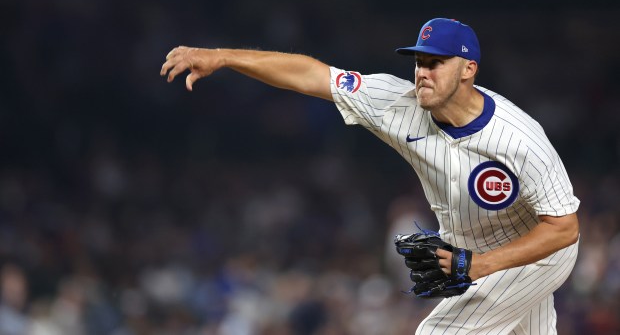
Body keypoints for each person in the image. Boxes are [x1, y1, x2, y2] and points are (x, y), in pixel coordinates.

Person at [160, 18, 580, 334]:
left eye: (436, 63)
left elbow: (564, 229)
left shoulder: (518, 138)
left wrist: (480, 264)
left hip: (536, 252)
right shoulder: (396, 104)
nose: (422, 72)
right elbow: (313, 75)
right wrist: (224, 57)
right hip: (473, 251)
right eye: (418, 61)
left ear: (468, 69)